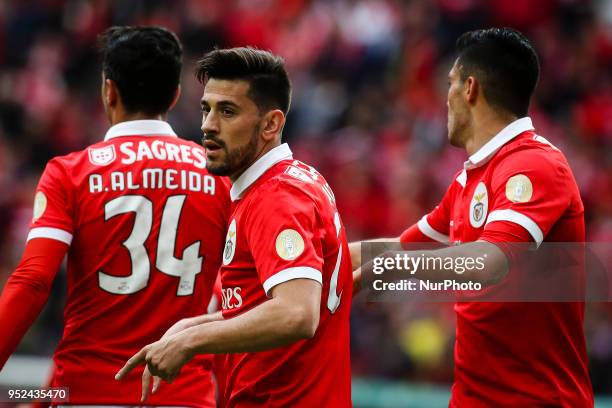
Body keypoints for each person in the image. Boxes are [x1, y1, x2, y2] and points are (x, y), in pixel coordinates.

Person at [351, 28, 593, 407]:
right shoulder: (470, 177)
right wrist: (311, 264)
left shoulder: (534, 165)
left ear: (470, 88)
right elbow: (397, 247)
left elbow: (489, 261)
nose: (444, 97)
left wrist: (390, 269)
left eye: (449, 83)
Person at [0, 26, 230, 406]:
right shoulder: (219, 177)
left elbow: (32, 283)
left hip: (84, 392)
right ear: (174, 96)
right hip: (184, 396)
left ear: (108, 90)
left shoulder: (70, 174)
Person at [116, 47, 353, 407]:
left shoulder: (276, 197)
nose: (208, 125)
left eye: (227, 111)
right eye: (206, 109)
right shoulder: (292, 179)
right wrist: (197, 325)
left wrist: (191, 342)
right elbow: (281, 297)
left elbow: (297, 313)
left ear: (271, 124)